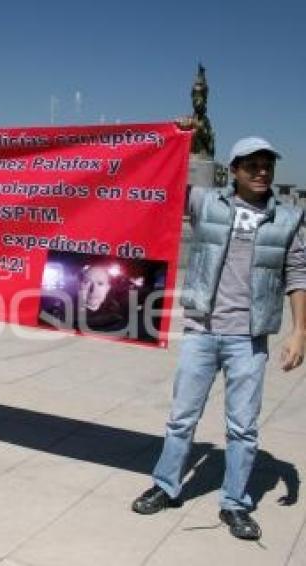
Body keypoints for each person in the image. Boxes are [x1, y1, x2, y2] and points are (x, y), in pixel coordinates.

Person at [132, 136, 306, 541]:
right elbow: (166, 178)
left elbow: (298, 274)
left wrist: (300, 332)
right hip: (202, 331)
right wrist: (177, 137)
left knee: (243, 428)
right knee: (181, 418)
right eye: (253, 165)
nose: (262, 172)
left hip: (249, 338)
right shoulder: (206, 203)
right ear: (234, 169)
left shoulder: (288, 218)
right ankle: (166, 486)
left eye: (268, 165)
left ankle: (235, 504)